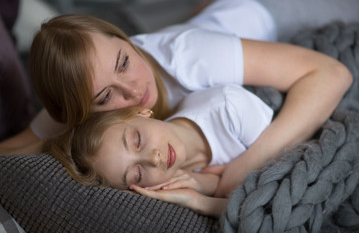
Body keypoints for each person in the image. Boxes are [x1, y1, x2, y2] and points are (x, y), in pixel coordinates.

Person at [0, 0, 353, 197]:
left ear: (124, 38)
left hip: (282, 7)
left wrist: (244, 167)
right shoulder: (79, 105)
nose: (136, 91)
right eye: (107, 97)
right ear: (79, 115)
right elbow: (12, 151)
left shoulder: (187, 56)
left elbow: (331, 74)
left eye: (124, 61)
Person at [44, 84, 274, 218]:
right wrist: (200, 192)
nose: (154, 159)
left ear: (142, 112)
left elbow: (268, 207)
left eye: (137, 140)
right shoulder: (187, 178)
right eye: (137, 174)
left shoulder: (229, 111)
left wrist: (208, 198)